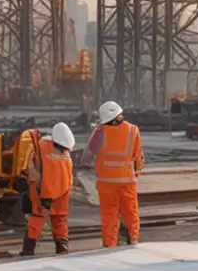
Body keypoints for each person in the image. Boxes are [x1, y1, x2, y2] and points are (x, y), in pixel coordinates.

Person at [87, 100, 143, 247]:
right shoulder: (133, 130)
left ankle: (109, 245)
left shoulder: (99, 131)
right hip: (127, 180)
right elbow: (138, 157)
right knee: (130, 213)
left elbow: (89, 153)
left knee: (108, 216)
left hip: (106, 182)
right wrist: (135, 174)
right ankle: (133, 241)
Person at [22, 122, 76, 256]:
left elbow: (32, 168)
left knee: (37, 218)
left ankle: (29, 248)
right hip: (58, 190)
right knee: (58, 219)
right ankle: (62, 246)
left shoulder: (41, 146)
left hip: (46, 190)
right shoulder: (63, 152)